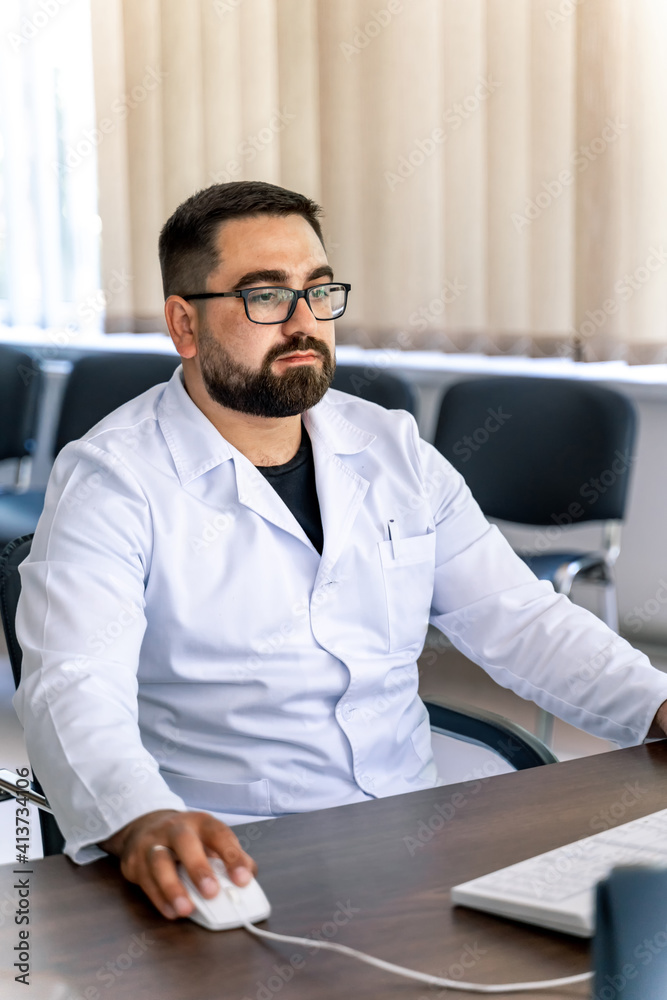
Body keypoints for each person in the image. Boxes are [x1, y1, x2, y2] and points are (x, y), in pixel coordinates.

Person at [13, 180, 667, 923]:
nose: (302, 323)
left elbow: (517, 618)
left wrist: (653, 702)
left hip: (417, 828)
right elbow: (72, 684)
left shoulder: (390, 449)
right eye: (264, 297)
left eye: (319, 293)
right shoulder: (113, 478)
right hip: (233, 849)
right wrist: (139, 819)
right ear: (184, 324)